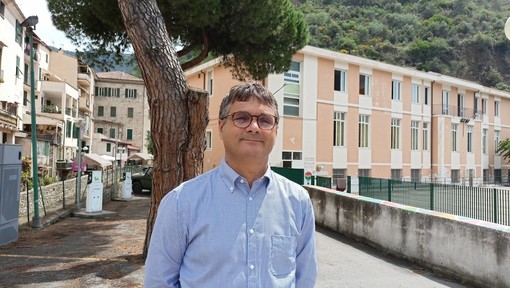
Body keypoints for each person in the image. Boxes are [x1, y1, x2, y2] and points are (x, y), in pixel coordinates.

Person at [144, 82, 318, 287]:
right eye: (242, 118)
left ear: (276, 130)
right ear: (220, 126)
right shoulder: (181, 203)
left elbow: (305, 279)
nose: (254, 127)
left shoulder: (298, 201)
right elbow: (159, 282)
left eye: (265, 120)